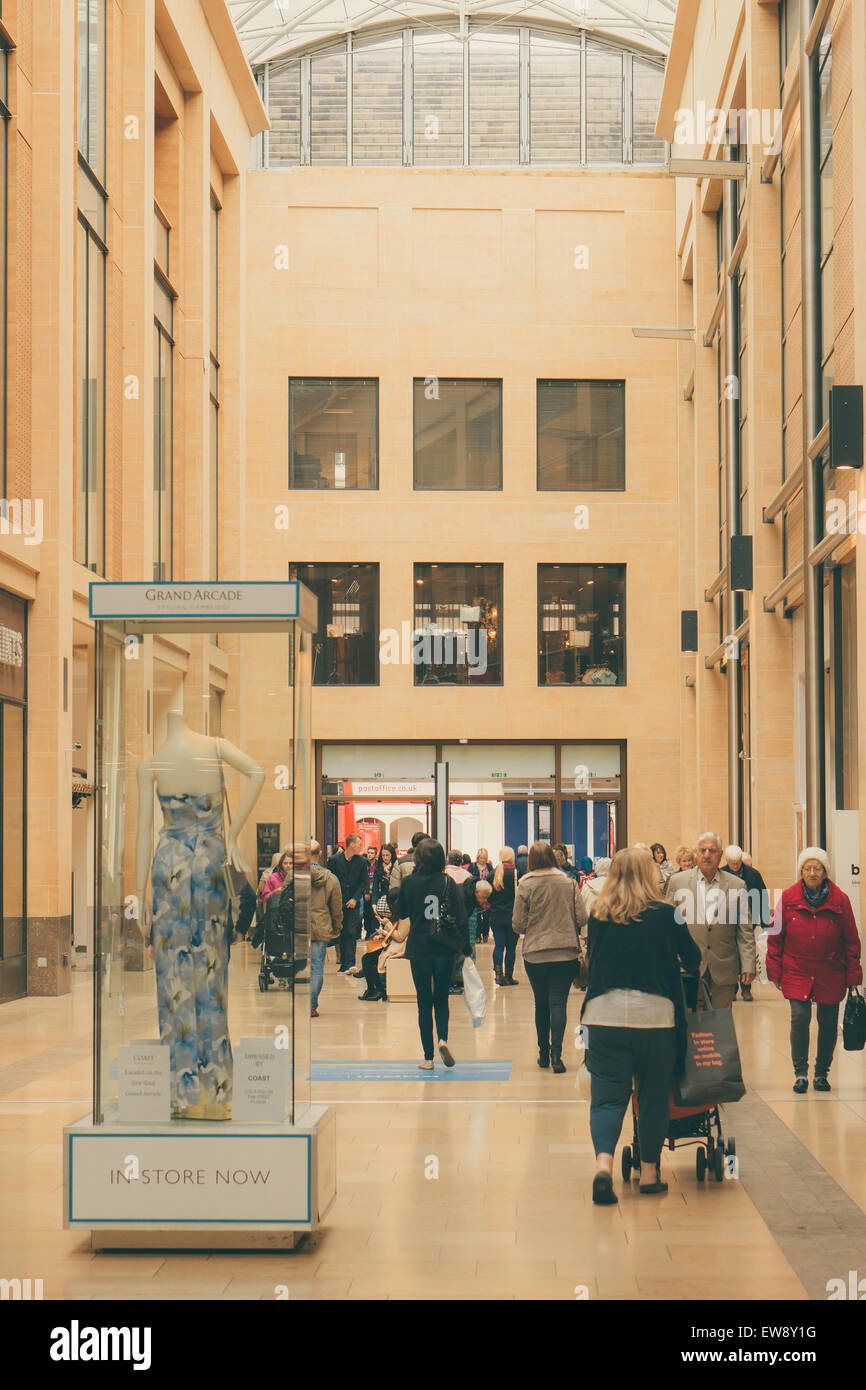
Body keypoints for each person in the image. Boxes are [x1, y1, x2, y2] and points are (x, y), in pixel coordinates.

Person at [582, 848, 702, 1205]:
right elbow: (693, 959)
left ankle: (603, 1167)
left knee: (606, 1098)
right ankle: (649, 1172)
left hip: (603, 1016)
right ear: (650, 874)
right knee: (652, 1097)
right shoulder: (668, 914)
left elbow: (593, 961)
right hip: (655, 1018)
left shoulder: (598, 913)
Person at [767, 847, 862, 1093]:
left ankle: (821, 1073)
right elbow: (775, 936)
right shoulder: (788, 898)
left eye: (817, 868)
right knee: (800, 1018)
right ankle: (800, 1073)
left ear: (824, 872)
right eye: (807, 868)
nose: (812, 872)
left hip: (829, 971)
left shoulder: (840, 900)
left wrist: (853, 974)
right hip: (796, 968)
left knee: (828, 1022)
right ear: (801, 871)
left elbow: (851, 939)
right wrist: (774, 970)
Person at [394, 837, 470, 1069]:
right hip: (443, 948)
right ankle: (443, 1039)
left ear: (418, 858)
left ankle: (428, 1058)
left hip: (419, 948)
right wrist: (465, 949)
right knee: (442, 999)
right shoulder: (447, 882)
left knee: (423, 1002)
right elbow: (461, 916)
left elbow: (403, 912)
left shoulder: (409, 883)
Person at [513, 841, 587, 1072]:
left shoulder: (525, 884)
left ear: (532, 860)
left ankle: (543, 1055)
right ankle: (557, 1056)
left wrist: (535, 926)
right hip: (564, 952)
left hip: (535, 953)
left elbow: (518, 924)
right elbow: (582, 918)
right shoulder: (568, 882)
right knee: (559, 1003)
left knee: (541, 1004)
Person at [665, 831, 755, 1010]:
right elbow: (667, 925)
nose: (707, 855)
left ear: (720, 855)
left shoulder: (737, 885)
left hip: (723, 966)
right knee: (692, 1028)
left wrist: (748, 964)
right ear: (696, 853)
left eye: (712, 851)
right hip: (687, 967)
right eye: (703, 850)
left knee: (721, 1026)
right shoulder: (678, 882)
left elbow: (745, 930)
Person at [724, 844, 770, 1000]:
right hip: (727, 920)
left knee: (747, 952)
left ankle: (746, 988)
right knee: (730, 953)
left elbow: (763, 896)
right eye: (732, 863)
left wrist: (764, 920)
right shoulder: (721, 873)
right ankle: (732, 988)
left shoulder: (753, 875)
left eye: (738, 862)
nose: (735, 866)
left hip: (748, 918)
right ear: (727, 861)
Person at [303, 841, 342, 1017]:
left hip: (299, 926)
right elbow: (336, 907)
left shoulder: (294, 876)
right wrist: (337, 926)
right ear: (319, 854)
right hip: (321, 925)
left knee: (298, 966)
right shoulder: (331, 879)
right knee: (317, 966)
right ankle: (311, 1005)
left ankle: (298, 1003)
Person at [328, 833, 369, 975]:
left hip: (353, 902)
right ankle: (343, 964)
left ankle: (350, 963)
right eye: (359, 844)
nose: (360, 846)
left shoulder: (362, 862)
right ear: (351, 844)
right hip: (337, 902)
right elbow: (330, 880)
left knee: (351, 932)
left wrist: (355, 899)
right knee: (341, 932)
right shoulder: (334, 860)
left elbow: (364, 882)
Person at [490, 847, 519, 986]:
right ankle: (509, 976)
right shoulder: (516, 874)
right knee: (511, 948)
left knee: (498, 946)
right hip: (512, 916)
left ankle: (498, 975)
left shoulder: (493, 874)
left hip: (495, 915)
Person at [389, 829, 426, 911]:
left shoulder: (400, 862)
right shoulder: (430, 862)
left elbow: (394, 890)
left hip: (406, 908)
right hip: (426, 908)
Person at [361, 845, 378, 938]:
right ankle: (368, 931)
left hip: (375, 892)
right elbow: (363, 879)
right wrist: (366, 891)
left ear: (375, 854)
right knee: (366, 913)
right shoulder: (364, 864)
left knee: (374, 913)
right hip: (366, 892)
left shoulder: (378, 864)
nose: (369, 855)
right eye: (368, 853)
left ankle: (373, 931)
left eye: (372, 853)